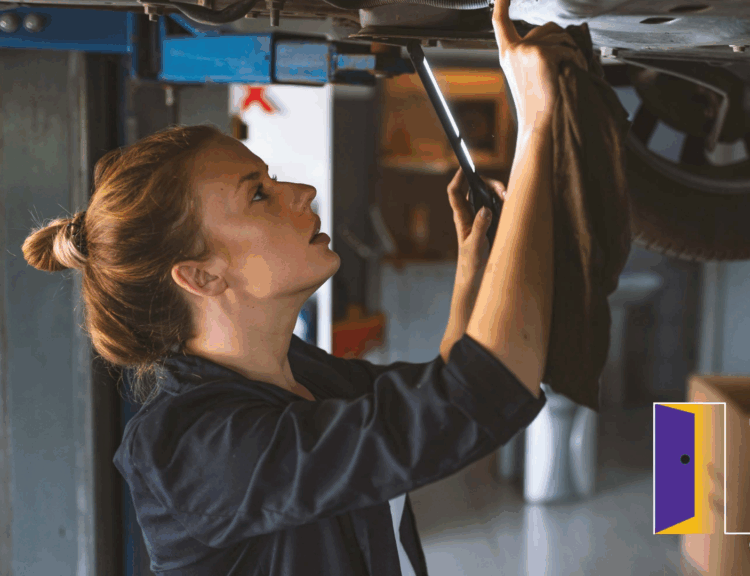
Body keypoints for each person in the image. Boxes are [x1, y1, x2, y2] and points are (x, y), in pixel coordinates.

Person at [20, 0, 590, 573]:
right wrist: (536, 120)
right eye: (259, 194)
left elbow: (444, 395)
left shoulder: (304, 375)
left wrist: (475, 261)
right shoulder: (192, 451)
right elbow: (479, 393)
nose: (301, 193)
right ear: (201, 275)